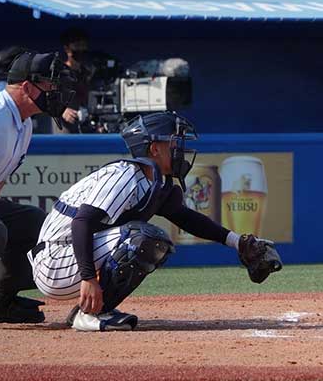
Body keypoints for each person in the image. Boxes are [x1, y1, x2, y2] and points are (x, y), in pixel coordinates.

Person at [29, 111, 282, 331]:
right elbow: (82, 222)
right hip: (55, 259)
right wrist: (88, 278)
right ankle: (90, 313)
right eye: (173, 141)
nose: (180, 148)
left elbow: (186, 218)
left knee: (150, 239)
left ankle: (91, 310)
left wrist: (237, 242)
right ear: (154, 148)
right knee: (145, 238)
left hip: (68, 255)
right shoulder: (126, 175)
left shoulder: (154, 180)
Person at [0, 52, 74, 324]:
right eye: (49, 85)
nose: (55, 92)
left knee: (34, 223)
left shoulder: (24, 123)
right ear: (27, 87)